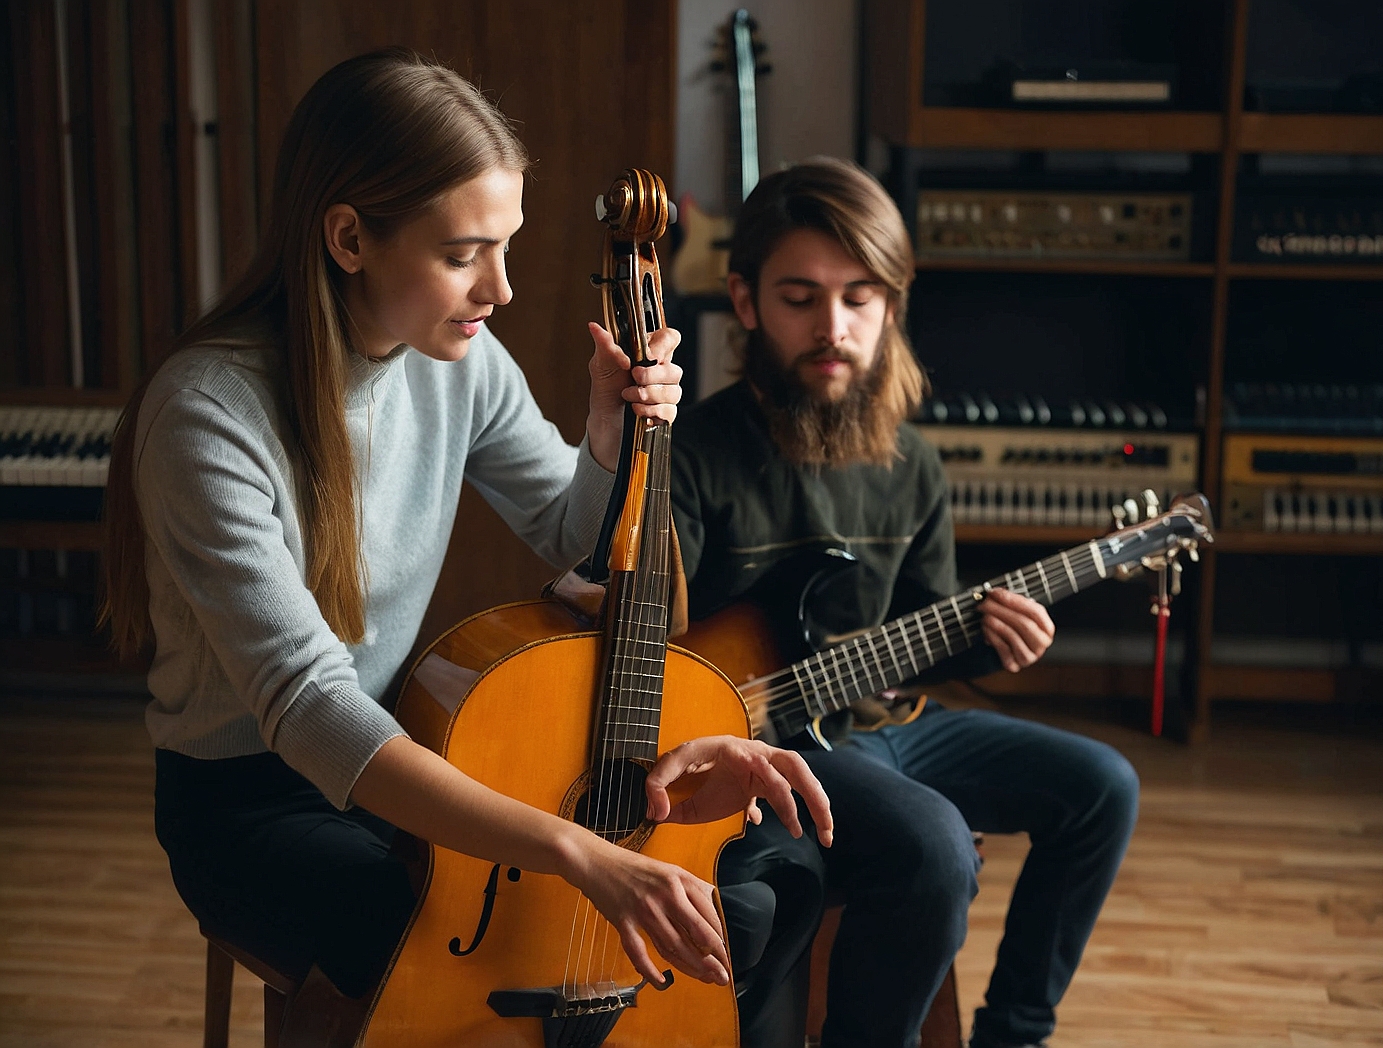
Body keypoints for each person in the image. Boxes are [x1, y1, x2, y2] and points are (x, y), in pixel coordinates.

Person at [100, 47, 832, 1042]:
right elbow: (310, 708)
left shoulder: (459, 359)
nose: (499, 289)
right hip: (254, 802)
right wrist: (575, 850)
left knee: (749, 886)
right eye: (461, 254)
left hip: (408, 757)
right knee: (484, 925)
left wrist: (606, 441)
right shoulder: (206, 414)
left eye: (506, 246)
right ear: (350, 237)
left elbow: (568, 534)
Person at [670, 157, 1141, 1048]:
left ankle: (1014, 1034)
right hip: (766, 741)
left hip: (881, 724)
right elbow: (656, 634)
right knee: (932, 843)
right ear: (744, 301)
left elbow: (922, 629)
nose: (832, 327)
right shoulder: (696, 453)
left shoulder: (910, 464)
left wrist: (989, 640)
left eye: (859, 299)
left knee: (1102, 787)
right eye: (800, 297)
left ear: (891, 305)